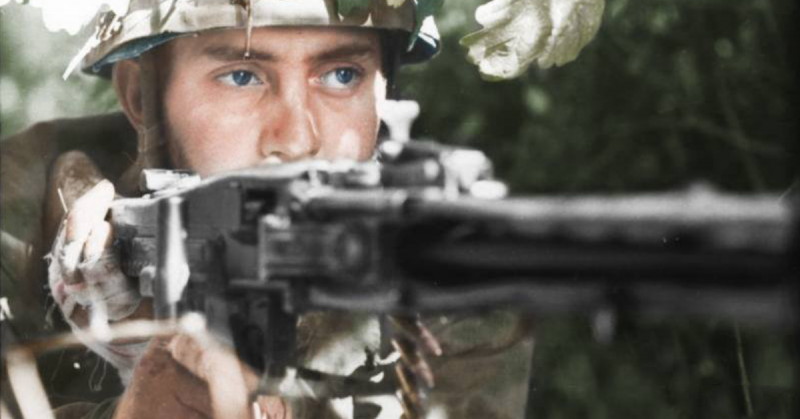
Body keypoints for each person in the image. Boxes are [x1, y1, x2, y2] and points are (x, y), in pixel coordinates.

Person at [1, 1, 534, 418]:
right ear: (142, 98)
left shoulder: (450, 276)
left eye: (342, 74)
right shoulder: (13, 221)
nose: (298, 139)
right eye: (242, 75)